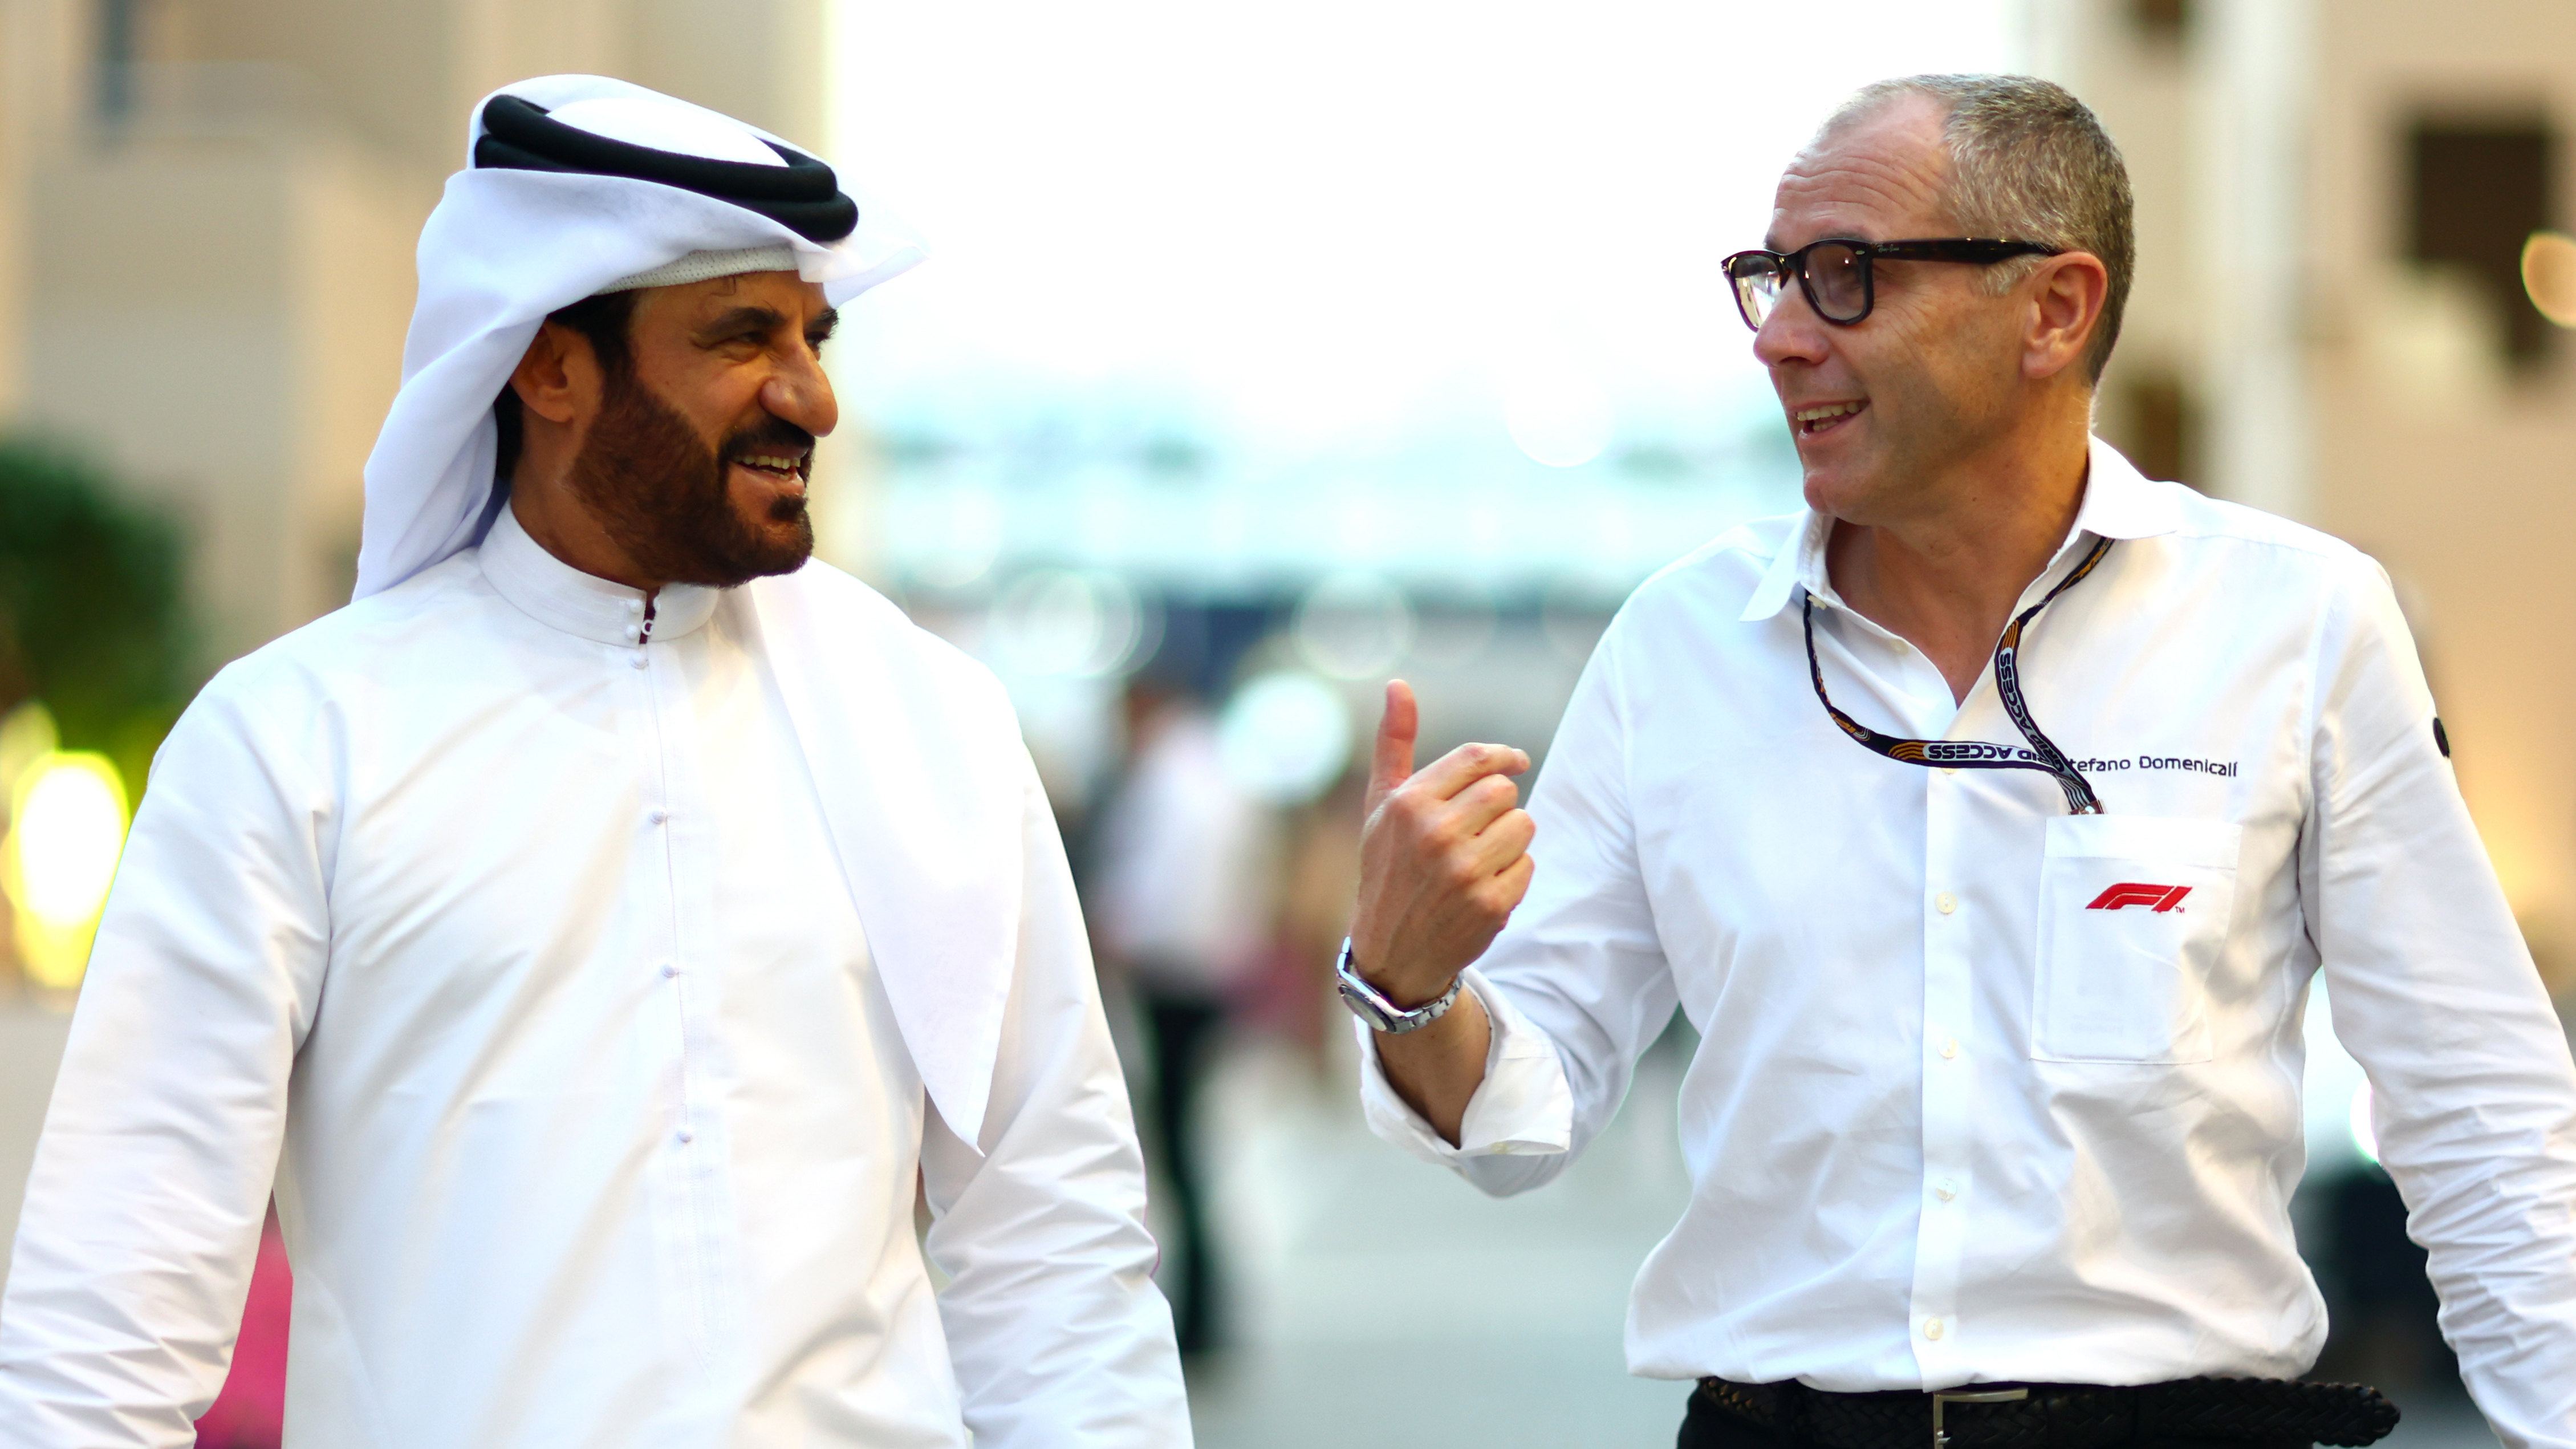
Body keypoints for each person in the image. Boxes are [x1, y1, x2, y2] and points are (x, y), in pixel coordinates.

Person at [1339, 73, 2576, 1449]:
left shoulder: (2298, 623)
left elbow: (2480, 1108)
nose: (1781, 339)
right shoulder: (1677, 648)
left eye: (1844, 276)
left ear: (2053, 308)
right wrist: (1405, 984)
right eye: (1771, 279)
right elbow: (1524, 1103)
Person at [0, 76, 1189, 1448]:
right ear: (550, 366)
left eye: (814, 337)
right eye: (742, 337)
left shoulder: (934, 726)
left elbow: (1054, 1250)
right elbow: (111, 1314)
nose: (811, 396)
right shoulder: (296, 743)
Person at [1087, 675, 1279, 1355]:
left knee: (1179, 1154)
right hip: (1201, 976)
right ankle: (1204, 1305)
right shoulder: (1209, 770)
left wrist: (1117, 932)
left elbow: (1163, 888)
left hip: (1174, 980)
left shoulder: (1173, 780)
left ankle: (1201, 1312)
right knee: (1186, 1151)